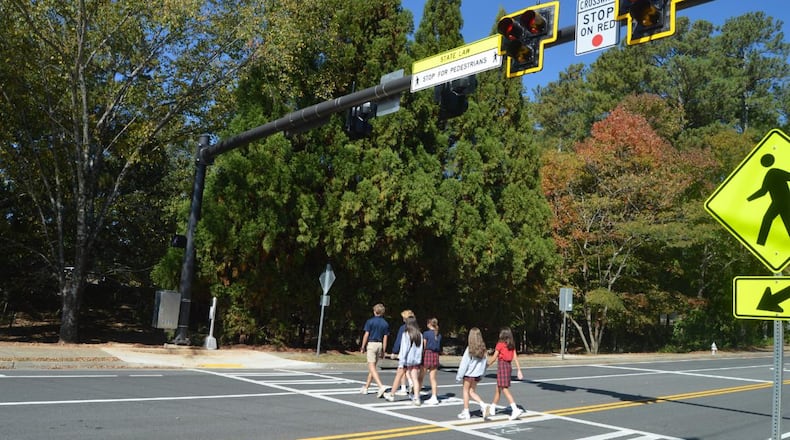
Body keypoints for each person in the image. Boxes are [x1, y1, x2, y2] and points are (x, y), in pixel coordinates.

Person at [384, 316, 423, 405]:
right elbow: (420, 349)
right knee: (415, 379)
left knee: (398, 376)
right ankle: (417, 398)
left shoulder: (406, 334)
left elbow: (404, 349)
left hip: (406, 360)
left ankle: (392, 395)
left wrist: (401, 361)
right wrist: (418, 360)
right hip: (415, 360)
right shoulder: (420, 334)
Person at [487, 327, 524, 420]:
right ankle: (492, 407)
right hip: (508, 366)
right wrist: (519, 370)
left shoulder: (500, 345)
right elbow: (515, 358)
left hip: (502, 366)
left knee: (504, 388)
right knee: (498, 388)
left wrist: (486, 365)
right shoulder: (511, 345)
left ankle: (515, 409)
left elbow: (494, 357)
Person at [455, 327, 489, 420]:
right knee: (472, 392)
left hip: (468, 374)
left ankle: (466, 411)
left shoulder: (469, 349)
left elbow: (464, 364)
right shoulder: (483, 349)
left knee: (466, 391)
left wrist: (459, 376)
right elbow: (485, 363)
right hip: (477, 375)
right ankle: (483, 404)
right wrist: (482, 374)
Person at [359, 303, 389, 398]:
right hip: (380, 344)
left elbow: (366, 334)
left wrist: (363, 346)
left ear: (375, 311)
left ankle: (380, 386)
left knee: (371, 367)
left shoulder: (370, 321)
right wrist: (384, 350)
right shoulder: (385, 323)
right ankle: (366, 387)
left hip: (372, 344)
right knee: (373, 367)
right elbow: (385, 338)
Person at [388, 309, 414, 396]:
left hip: (404, 352)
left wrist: (394, 351)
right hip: (413, 352)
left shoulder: (403, 328)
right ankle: (411, 382)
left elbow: (398, 340)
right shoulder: (415, 328)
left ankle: (403, 387)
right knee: (409, 370)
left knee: (402, 369)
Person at [419, 317, 442, 405]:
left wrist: (421, 355)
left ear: (429, 324)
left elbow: (424, 346)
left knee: (421, 376)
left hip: (427, 354)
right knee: (433, 378)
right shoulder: (438, 334)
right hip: (435, 355)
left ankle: (416, 395)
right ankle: (434, 397)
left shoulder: (426, 333)